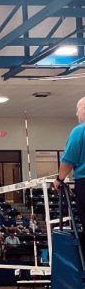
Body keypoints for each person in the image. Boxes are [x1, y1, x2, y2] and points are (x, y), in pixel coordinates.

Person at [54, 96, 85, 237]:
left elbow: (68, 161)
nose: (76, 114)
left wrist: (59, 179)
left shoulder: (80, 131)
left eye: (77, 109)